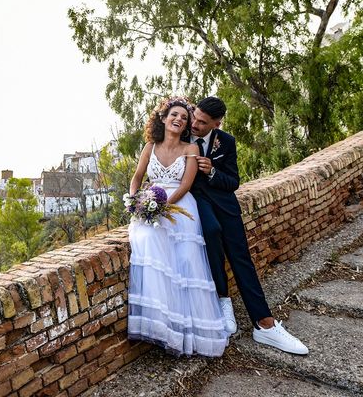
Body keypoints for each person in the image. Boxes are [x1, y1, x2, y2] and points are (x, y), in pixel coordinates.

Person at [189, 96, 308, 355]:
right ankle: (223, 301)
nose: (195, 124)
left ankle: (265, 324)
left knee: (241, 258)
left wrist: (211, 171)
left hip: (225, 205)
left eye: (203, 122)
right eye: (195, 117)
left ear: (216, 124)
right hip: (196, 204)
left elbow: (233, 181)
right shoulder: (179, 135)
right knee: (211, 235)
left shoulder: (227, 142)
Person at [127, 97, 229, 357]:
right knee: (149, 241)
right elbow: (137, 177)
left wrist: (163, 206)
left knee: (184, 263)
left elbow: (185, 184)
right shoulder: (150, 146)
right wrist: (136, 200)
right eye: (174, 114)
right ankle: (160, 324)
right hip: (151, 204)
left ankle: (186, 329)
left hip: (181, 207)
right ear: (163, 118)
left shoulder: (191, 149)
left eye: (184, 117)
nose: (179, 119)